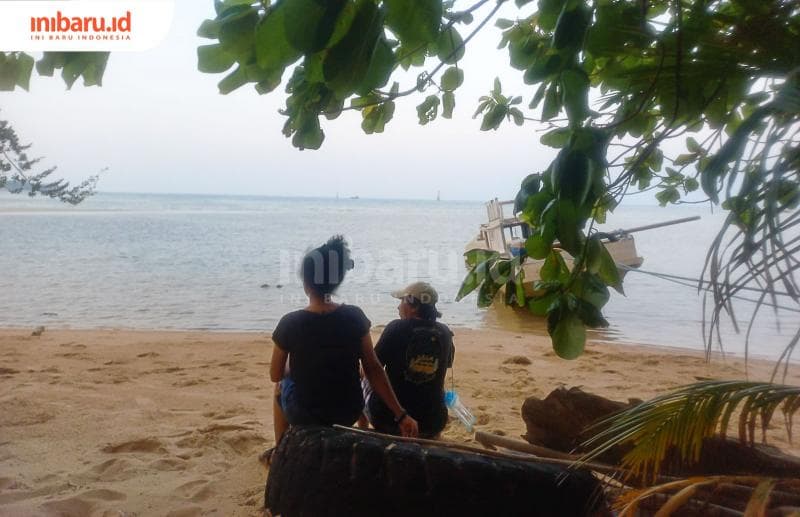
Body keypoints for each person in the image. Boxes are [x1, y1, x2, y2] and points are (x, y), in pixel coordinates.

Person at [266, 236, 418, 462]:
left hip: (306, 415)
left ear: (307, 285)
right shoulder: (354, 317)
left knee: (280, 386)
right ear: (336, 282)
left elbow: (275, 374)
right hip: (348, 410)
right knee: (351, 374)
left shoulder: (290, 323)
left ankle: (281, 451)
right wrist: (401, 414)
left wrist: (291, 366)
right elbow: (374, 368)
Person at [364, 281, 455, 439]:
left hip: (389, 421)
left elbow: (370, 368)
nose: (398, 307)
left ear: (414, 307)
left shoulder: (396, 328)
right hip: (433, 423)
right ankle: (433, 435)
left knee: (363, 378)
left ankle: (362, 430)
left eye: (402, 301)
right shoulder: (445, 333)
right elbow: (445, 365)